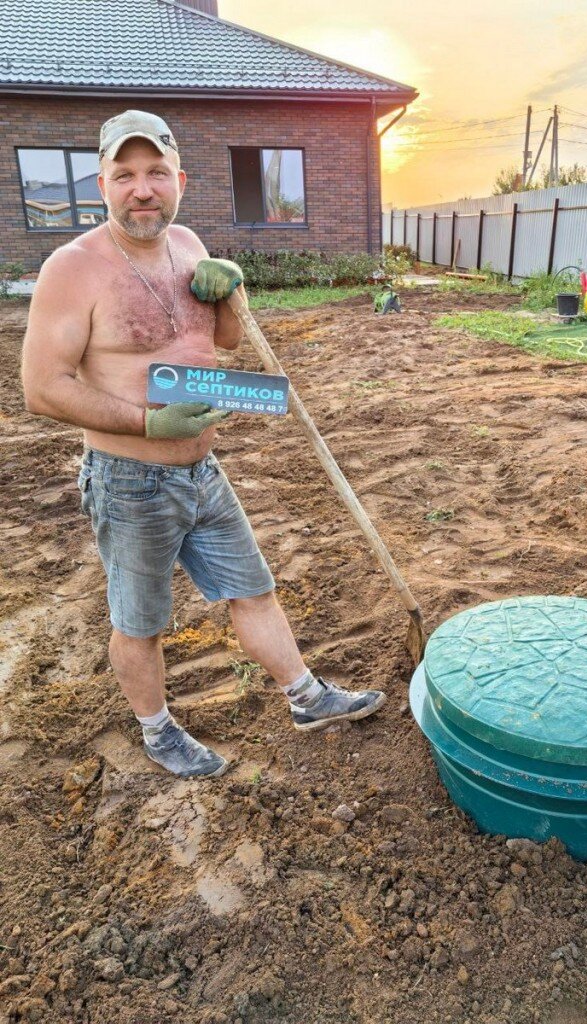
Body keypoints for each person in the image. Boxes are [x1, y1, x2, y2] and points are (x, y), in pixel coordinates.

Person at [21, 110, 385, 779]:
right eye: (124, 174)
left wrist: (230, 289)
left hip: (202, 470)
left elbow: (223, 343)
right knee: (142, 622)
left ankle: (306, 697)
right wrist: (146, 423)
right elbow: (42, 387)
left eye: (156, 171)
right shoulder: (71, 270)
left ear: (179, 178)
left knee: (254, 589)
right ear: (101, 182)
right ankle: (157, 732)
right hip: (130, 479)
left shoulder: (189, 244)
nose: (142, 189)